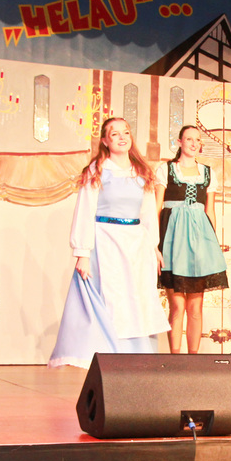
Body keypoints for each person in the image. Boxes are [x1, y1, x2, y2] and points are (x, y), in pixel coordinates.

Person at [49, 117, 169, 368]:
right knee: (112, 300)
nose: (122, 137)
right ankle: (110, 357)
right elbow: (85, 210)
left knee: (135, 299)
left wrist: (153, 246)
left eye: (126, 132)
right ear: (105, 140)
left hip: (135, 244)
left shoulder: (142, 171)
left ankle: (136, 358)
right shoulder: (97, 170)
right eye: (115, 134)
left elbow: (148, 212)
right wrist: (82, 252)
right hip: (106, 242)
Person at [155, 125, 229, 354]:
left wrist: (212, 244)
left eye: (198, 140)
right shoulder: (166, 170)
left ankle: (193, 358)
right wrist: (154, 243)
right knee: (177, 305)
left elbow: (210, 210)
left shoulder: (208, 173)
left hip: (199, 242)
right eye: (189, 139)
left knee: (195, 307)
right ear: (179, 142)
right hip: (172, 241)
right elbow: (156, 207)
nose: (194, 143)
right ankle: (176, 358)